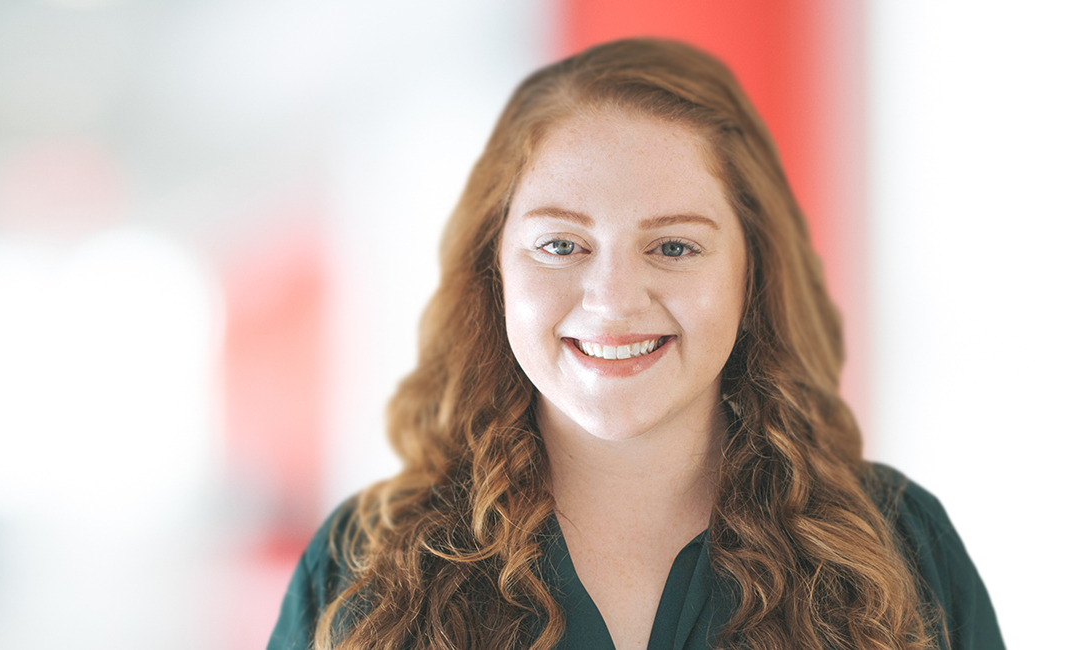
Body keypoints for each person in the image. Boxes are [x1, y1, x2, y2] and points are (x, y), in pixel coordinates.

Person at [267, 38, 1003, 650]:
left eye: (674, 247)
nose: (613, 300)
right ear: (493, 271)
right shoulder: (358, 570)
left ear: (753, 273)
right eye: (561, 245)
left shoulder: (902, 548)